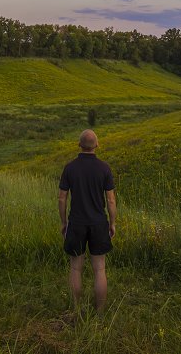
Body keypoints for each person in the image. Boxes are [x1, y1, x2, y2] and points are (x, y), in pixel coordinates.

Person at [58, 129, 116, 314]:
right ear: (97, 145)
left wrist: (63, 222)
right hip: (99, 223)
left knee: (75, 268)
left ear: (79, 145)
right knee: (99, 269)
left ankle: (76, 309)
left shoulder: (70, 168)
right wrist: (112, 223)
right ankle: (99, 312)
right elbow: (111, 200)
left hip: (76, 222)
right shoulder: (104, 168)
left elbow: (62, 198)